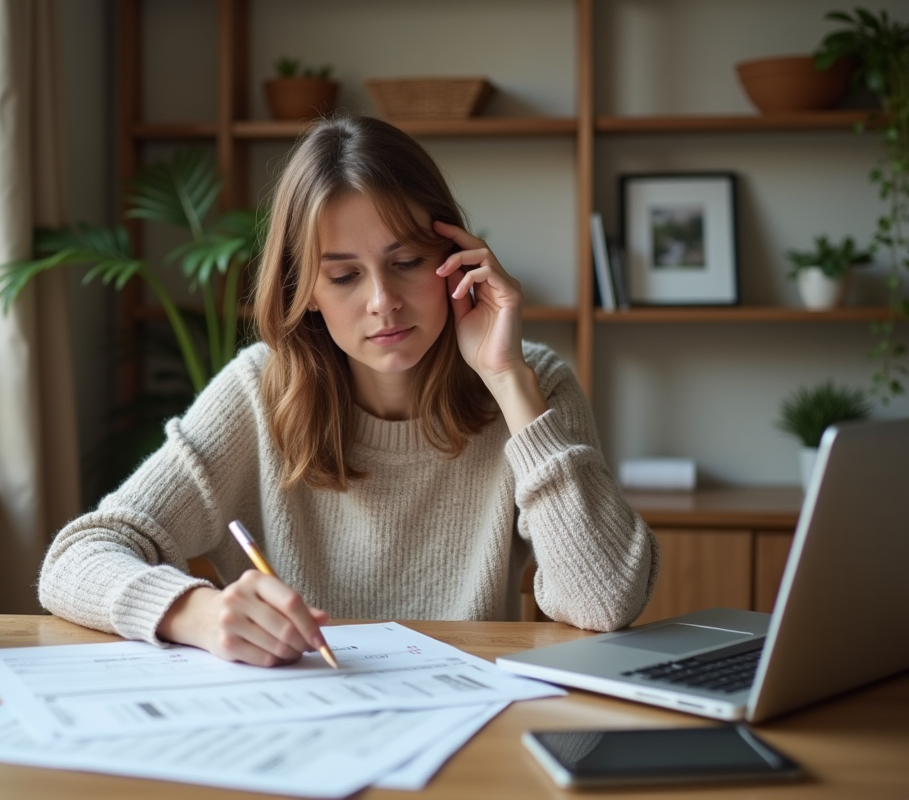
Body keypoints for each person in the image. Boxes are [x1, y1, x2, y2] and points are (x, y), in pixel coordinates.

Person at [38, 115, 659, 667]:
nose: (382, 302)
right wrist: (195, 613)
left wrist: (507, 382)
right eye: (343, 276)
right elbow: (79, 557)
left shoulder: (532, 384)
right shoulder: (259, 389)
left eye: (408, 262)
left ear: (457, 258)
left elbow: (602, 601)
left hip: (470, 730)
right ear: (306, 289)